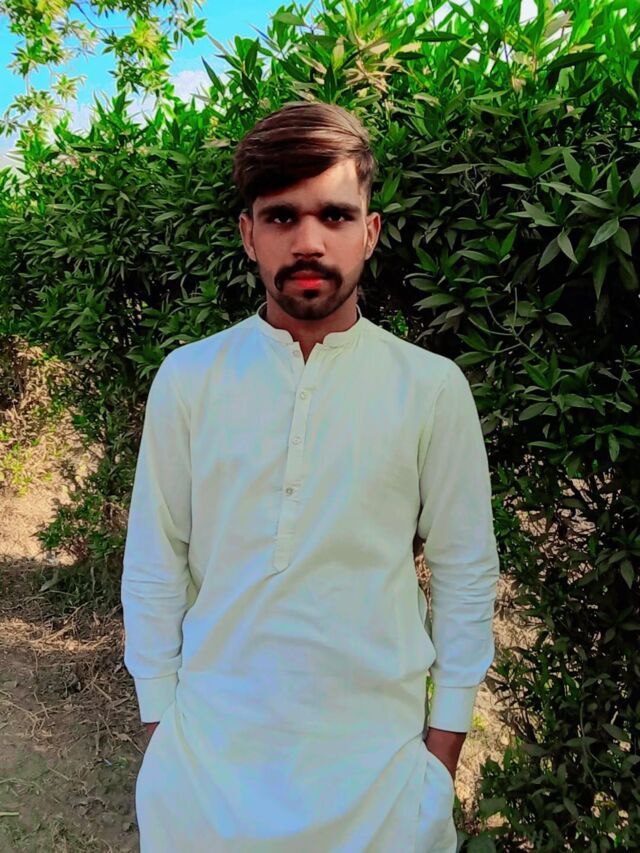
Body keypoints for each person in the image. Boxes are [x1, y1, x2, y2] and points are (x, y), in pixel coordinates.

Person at [121, 101, 500, 853]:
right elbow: (156, 561)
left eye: (334, 215)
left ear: (370, 231)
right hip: (206, 781)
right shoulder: (189, 380)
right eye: (281, 216)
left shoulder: (430, 388)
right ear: (248, 235)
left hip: (382, 790)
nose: (309, 241)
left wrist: (440, 759)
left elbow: (465, 573)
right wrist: (162, 732)